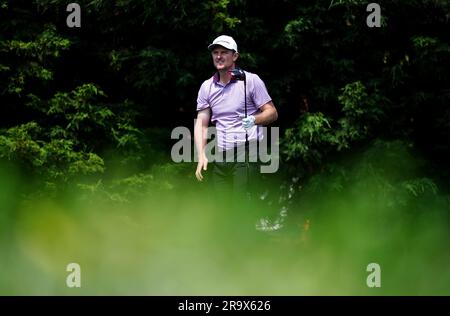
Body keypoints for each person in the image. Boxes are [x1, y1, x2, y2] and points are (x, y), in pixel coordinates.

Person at [194, 35, 278, 200]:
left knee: (241, 207)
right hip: (221, 156)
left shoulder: (251, 81)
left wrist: (255, 119)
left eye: (224, 52)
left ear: (235, 56)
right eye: (215, 52)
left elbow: (272, 112)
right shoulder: (206, 87)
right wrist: (201, 154)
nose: (219, 56)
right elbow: (202, 124)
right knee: (222, 211)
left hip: (247, 154)